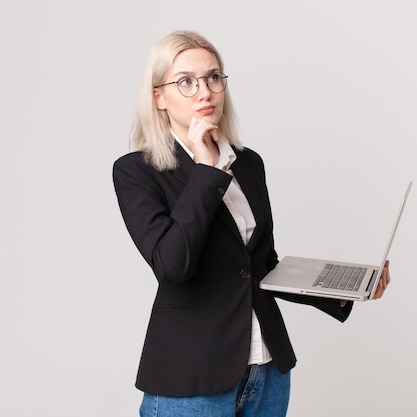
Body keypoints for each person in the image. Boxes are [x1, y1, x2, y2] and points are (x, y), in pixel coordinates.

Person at [112, 30, 390, 417]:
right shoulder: (137, 172)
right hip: (194, 379)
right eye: (186, 82)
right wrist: (206, 170)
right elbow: (173, 264)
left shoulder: (248, 163)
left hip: (267, 371)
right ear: (159, 97)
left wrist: (345, 288)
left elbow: (261, 266)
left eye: (213, 77)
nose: (205, 92)